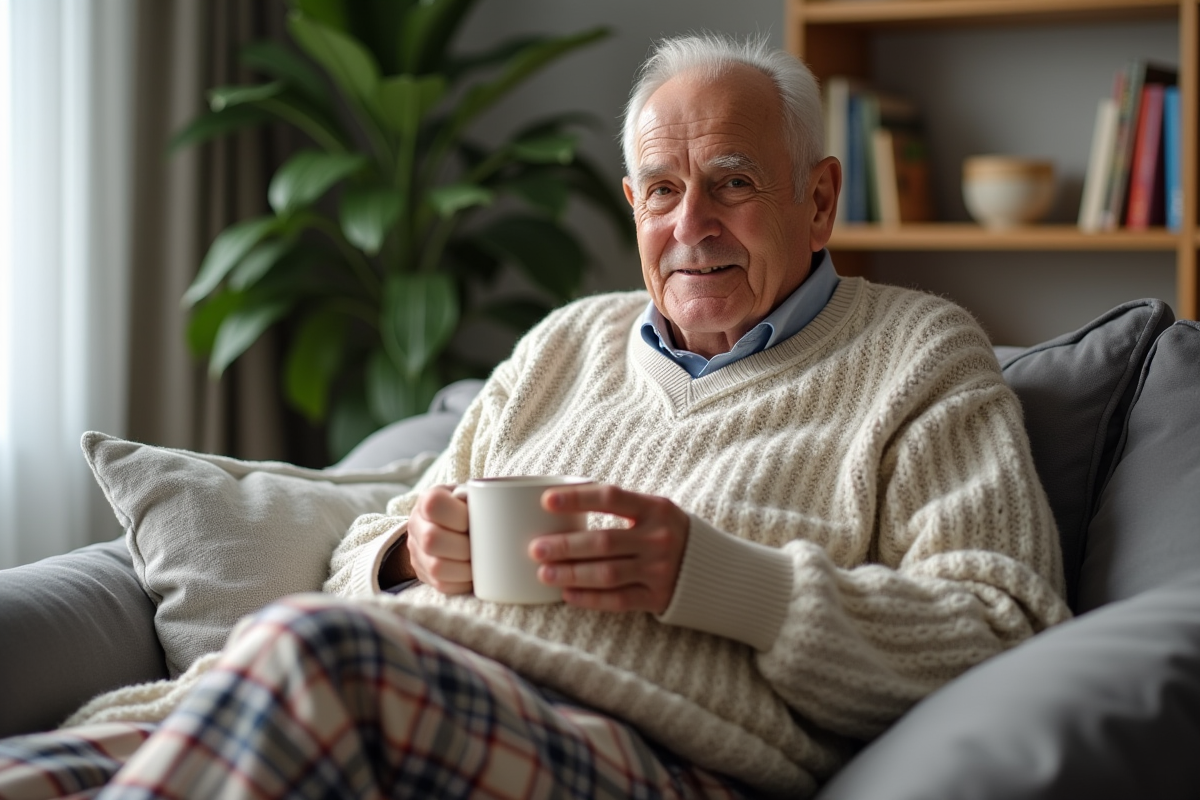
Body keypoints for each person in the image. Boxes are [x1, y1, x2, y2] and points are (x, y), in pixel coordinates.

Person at [0, 33, 1069, 799]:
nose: (690, 223)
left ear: (820, 198)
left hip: (646, 749)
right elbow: (365, 556)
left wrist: (716, 577)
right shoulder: (567, 339)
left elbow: (1006, 624)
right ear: (631, 205)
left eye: (732, 184)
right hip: (406, 679)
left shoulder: (923, 353)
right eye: (660, 190)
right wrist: (410, 553)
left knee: (315, 651)